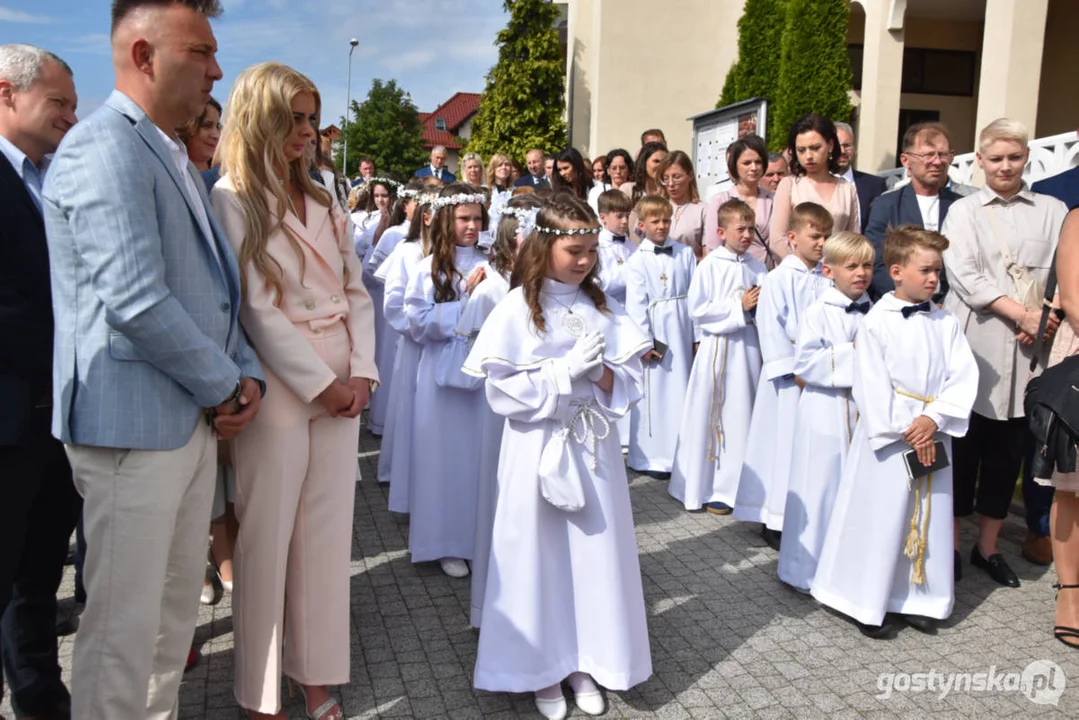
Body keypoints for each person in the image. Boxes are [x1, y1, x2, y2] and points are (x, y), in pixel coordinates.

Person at [42, 2, 266, 716]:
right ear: (144, 55)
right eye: (200, 51)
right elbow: (135, 299)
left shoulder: (167, 149)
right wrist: (228, 385)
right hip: (133, 430)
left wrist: (240, 376)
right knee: (122, 631)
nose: (216, 69)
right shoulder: (103, 145)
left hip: (184, 423)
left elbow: (208, 291)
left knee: (169, 622)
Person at [210, 62, 377, 720]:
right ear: (262, 118)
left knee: (326, 538)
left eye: (311, 118)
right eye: (295, 119)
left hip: (343, 379)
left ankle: (316, 676)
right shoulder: (230, 195)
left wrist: (362, 369)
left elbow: (356, 287)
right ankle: (258, 690)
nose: (307, 132)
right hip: (280, 384)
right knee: (266, 537)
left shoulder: (326, 196)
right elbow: (254, 307)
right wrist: (322, 384)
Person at [464, 192, 652, 720]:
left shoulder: (601, 307)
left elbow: (629, 380)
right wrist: (560, 374)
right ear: (544, 247)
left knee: (590, 554)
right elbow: (500, 391)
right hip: (535, 447)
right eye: (575, 249)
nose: (586, 259)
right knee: (538, 556)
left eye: (592, 248)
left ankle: (584, 657)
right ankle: (539, 667)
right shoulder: (517, 308)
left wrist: (600, 374)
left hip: (592, 447)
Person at [811, 226, 978, 638]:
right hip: (891, 438)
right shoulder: (877, 323)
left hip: (932, 431)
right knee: (881, 518)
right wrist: (905, 427)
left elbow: (962, 375)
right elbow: (869, 382)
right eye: (926, 270)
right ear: (898, 271)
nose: (934, 279)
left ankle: (917, 597)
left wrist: (934, 419)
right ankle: (866, 600)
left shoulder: (946, 323)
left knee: (927, 516)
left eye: (938, 271)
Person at [943, 118, 1067, 588]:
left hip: (1033, 351)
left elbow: (1064, 271)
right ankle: (951, 546)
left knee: (1008, 454)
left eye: (1014, 157)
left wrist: (1046, 316)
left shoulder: (1052, 209)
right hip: (978, 347)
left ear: (1027, 156)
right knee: (964, 448)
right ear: (980, 160)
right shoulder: (965, 212)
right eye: (995, 158)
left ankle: (988, 548)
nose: (1005, 167)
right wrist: (1023, 314)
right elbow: (966, 276)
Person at [0, 43, 81, 720]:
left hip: (55, 419)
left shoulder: (53, 177)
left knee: (39, 575)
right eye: (58, 102)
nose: (69, 116)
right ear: (7, 93)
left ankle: (39, 695)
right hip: (7, 416)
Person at [440, 194, 540, 628]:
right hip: (498, 408)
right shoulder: (493, 289)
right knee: (496, 486)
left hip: (540, 408)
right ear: (514, 243)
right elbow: (472, 352)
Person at [777, 232, 873, 593]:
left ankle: (848, 570)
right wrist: (855, 352)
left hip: (863, 411)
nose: (860, 273)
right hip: (825, 411)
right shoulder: (817, 312)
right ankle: (805, 571)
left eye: (866, 265)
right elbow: (805, 365)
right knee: (820, 487)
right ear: (829, 271)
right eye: (851, 266)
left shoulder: (876, 309)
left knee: (854, 489)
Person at [734, 203, 832, 545]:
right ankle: (774, 518)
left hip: (821, 377)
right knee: (783, 446)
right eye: (814, 235)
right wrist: (794, 369)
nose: (821, 243)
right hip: (789, 381)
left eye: (826, 236)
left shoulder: (827, 277)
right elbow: (770, 327)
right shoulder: (776, 279)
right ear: (792, 237)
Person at [404, 184, 488, 577]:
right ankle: (445, 542)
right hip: (440, 374)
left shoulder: (494, 262)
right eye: (463, 219)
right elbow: (416, 322)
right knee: (443, 456)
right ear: (445, 220)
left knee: (477, 455)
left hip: (483, 372)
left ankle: (479, 537)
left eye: (477, 218)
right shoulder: (429, 268)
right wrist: (464, 304)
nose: (472, 226)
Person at [668, 199, 765, 513]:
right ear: (722, 232)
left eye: (751, 228)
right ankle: (709, 486)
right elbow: (697, 310)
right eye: (741, 229)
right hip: (719, 350)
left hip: (748, 349)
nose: (747, 234)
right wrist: (740, 308)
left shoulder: (757, 265)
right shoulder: (709, 264)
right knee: (716, 414)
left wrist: (757, 311)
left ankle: (740, 486)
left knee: (743, 413)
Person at [624, 195, 696, 477]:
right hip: (655, 329)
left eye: (666, 220)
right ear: (642, 225)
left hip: (683, 324)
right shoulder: (637, 260)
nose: (662, 226)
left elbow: (696, 295)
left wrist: (697, 335)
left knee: (682, 388)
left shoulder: (685, 253)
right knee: (656, 392)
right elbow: (636, 305)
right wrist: (644, 342)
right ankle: (652, 457)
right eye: (655, 221)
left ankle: (681, 451)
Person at [1039, 207, 1079, 648]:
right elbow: (1074, 299)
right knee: (1071, 483)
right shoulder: (1078, 222)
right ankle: (1070, 594)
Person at [378, 194, 434, 501]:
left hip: (446, 348)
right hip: (415, 344)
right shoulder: (408, 251)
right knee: (411, 413)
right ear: (426, 217)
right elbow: (394, 302)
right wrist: (421, 327)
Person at [866, 122, 961, 301]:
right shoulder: (886, 205)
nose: (937, 161)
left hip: (950, 306)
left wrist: (945, 303)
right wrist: (908, 299)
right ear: (906, 160)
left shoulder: (960, 205)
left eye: (943, 154)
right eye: (928, 155)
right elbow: (877, 263)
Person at [770, 114, 859, 257]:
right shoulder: (789, 185)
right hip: (799, 273)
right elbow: (777, 239)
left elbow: (854, 240)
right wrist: (802, 267)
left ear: (830, 145)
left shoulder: (847, 188)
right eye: (801, 150)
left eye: (815, 148)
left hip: (836, 272)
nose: (809, 156)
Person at [706, 134, 776, 267]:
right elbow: (713, 247)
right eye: (746, 163)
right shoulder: (721, 200)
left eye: (758, 162)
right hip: (733, 274)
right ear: (734, 166)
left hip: (769, 274)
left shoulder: (774, 199)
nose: (754, 168)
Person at [834, 121, 886, 232]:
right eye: (837, 146)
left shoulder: (875, 185)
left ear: (855, 147)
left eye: (847, 146)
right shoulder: (814, 183)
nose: (842, 151)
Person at [657, 150, 707, 259]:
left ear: (690, 176)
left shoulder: (703, 210)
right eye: (665, 178)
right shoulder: (656, 208)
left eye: (676, 177)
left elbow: (707, 255)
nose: (670, 184)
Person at [176, 96, 220, 171]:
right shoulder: (170, 172)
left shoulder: (226, 174)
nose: (216, 135)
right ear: (188, 126)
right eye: (207, 125)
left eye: (218, 126)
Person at [586, 148, 634, 212]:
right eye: (614, 168)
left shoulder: (637, 192)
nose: (618, 172)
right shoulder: (597, 192)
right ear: (608, 170)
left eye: (622, 168)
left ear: (629, 169)